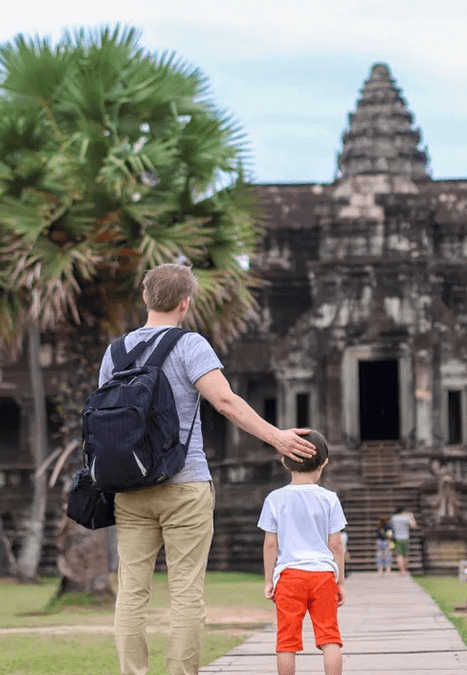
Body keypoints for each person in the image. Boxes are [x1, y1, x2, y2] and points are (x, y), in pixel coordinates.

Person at [97, 263, 317, 675]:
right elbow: (225, 402)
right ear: (186, 303)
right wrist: (278, 438)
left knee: (131, 592)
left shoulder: (116, 351)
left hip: (129, 487)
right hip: (185, 483)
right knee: (185, 593)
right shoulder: (189, 344)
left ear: (145, 297)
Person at [257, 430, 347, 675]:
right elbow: (336, 545)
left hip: (289, 577)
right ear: (324, 463)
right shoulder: (329, 499)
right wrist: (340, 581)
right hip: (323, 576)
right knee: (330, 637)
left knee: (286, 641)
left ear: (284, 461)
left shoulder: (275, 499)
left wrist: (269, 580)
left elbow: (270, 545)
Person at [390, 506, 417, 575]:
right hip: (405, 538)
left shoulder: (393, 518)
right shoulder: (406, 518)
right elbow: (413, 526)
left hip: (397, 538)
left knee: (399, 555)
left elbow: (391, 527)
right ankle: (405, 569)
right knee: (405, 555)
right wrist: (412, 517)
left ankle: (401, 570)